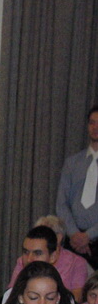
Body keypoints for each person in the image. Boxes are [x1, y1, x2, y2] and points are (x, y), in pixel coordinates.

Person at [9, 216, 89, 302]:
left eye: (37, 253)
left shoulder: (76, 262)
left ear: (59, 238)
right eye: (26, 252)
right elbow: (11, 295)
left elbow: (76, 298)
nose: (29, 259)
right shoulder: (22, 261)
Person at [56, 105, 98, 269]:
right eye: (92, 123)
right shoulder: (72, 163)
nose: (95, 127)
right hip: (73, 240)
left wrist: (88, 236)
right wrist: (74, 234)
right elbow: (61, 204)